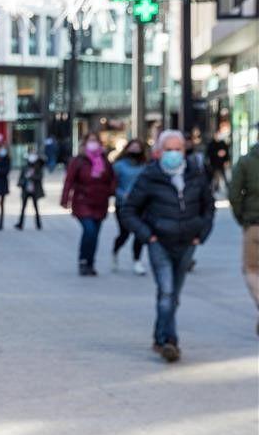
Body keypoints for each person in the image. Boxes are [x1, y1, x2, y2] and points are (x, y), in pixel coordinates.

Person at [120, 130, 215, 362]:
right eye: (168, 149)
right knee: (167, 291)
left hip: (187, 243)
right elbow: (128, 210)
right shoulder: (149, 176)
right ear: (159, 152)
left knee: (173, 295)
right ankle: (169, 341)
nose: (173, 154)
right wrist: (147, 235)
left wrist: (200, 234)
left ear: (184, 151)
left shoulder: (196, 174)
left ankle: (159, 335)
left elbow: (208, 207)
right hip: (159, 241)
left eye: (178, 149)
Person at [61, 132, 117, 276]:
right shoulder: (78, 161)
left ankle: (90, 262)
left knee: (95, 234)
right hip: (82, 201)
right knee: (89, 231)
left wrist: (110, 191)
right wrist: (65, 199)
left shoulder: (104, 160)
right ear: (84, 143)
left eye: (95, 140)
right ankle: (83, 261)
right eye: (90, 141)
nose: (93, 143)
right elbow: (69, 180)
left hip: (100, 201)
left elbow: (112, 179)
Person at [228, 141, 259, 331]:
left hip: (255, 225)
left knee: (251, 270)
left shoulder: (246, 162)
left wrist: (243, 218)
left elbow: (234, 195)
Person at [111, 139, 149, 275]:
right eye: (132, 147)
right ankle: (115, 252)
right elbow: (112, 186)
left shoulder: (145, 166)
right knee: (124, 234)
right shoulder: (118, 165)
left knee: (139, 233)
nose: (135, 150)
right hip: (123, 205)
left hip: (141, 204)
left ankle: (137, 261)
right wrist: (122, 194)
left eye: (138, 147)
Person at [15, 149, 45, 230]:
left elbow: (40, 177)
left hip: (35, 190)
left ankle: (38, 224)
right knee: (23, 207)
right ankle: (20, 224)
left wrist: (31, 177)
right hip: (26, 190)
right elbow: (20, 178)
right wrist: (22, 182)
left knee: (36, 208)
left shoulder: (38, 166)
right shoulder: (25, 167)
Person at [207, 128, 231, 198]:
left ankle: (228, 191)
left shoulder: (223, 143)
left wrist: (227, 161)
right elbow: (209, 153)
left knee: (224, 177)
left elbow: (226, 153)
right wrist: (217, 154)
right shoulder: (211, 144)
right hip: (214, 164)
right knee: (215, 178)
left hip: (222, 163)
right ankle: (214, 190)